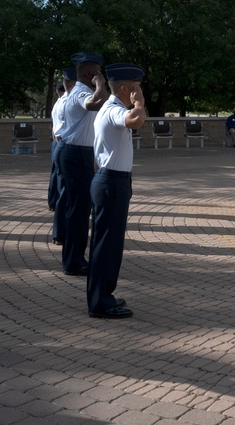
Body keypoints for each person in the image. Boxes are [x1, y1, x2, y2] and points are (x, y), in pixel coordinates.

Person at [87, 63, 146, 319]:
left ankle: (102, 296)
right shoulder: (113, 110)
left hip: (109, 180)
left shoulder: (109, 108)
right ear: (125, 89)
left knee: (106, 244)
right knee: (107, 246)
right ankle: (101, 302)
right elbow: (135, 121)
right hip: (112, 182)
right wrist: (139, 105)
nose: (139, 92)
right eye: (136, 88)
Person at [59, 52, 107, 277]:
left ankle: (73, 258)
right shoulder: (81, 92)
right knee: (79, 211)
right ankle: (74, 261)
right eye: (98, 72)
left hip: (78, 154)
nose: (101, 75)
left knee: (77, 209)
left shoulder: (81, 90)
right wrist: (101, 85)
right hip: (76, 154)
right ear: (90, 74)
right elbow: (94, 104)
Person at [49, 69, 76, 246]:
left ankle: (61, 231)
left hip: (60, 143)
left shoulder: (61, 101)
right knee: (66, 192)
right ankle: (61, 232)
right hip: (66, 145)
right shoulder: (68, 101)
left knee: (62, 190)